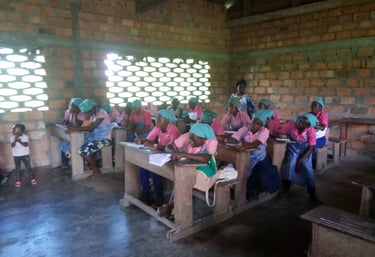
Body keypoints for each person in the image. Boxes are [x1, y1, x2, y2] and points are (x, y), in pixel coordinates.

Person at [157, 123, 218, 219]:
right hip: (189, 164)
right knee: (181, 175)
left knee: (186, 179)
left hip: (206, 167)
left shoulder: (211, 142)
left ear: (204, 139)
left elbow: (205, 158)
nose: (191, 141)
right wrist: (172, 150)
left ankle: (173, 206)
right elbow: (171, 146)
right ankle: (175, 207)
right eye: (190, 138)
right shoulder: (188, 136)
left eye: (194, 139)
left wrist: (183, 154)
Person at [136, 109, 181, 207]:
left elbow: (173, 149)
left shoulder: (173, 130)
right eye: (156, 117)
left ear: (167, 120)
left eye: (159, 118)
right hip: (161, 155)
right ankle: (146, 195)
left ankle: (160, 198)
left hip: (172, 158)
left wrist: (156, 145)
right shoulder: (157, 128)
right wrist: (142, 141)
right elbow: (148, 140)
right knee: (143, 167)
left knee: (154, 169)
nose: (156, 119)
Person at [278, 113, 321, 203]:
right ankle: (285, 190)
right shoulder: (291, 124)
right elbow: (281, 131)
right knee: (289, 165)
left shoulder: (311, 131)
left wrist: (300, 162)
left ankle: (312, 194)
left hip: (305, 152)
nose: (299, 123)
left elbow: (310, 148)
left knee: (308, 169)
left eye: (303, 123)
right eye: (300, 120)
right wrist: (283, 135)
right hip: (293, 149)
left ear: (308, 126)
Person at [66, 99, 112, 177]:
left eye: (88, 111)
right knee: (71, 148)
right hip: (93, 138)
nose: (87, 113)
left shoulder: (101, 113)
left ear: (93, 107)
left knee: (84, 151)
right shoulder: (93, 114)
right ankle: (85, 167)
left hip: (103, 139)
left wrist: (74, 129)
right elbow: (88, 126)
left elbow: (91, 128)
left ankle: (96, 171)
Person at [227, 111, 270, 177]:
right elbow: (234, 137)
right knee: (231, 164)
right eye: (253, 122)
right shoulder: (245, 128)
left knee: (245, 171)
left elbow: (256, 144)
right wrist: (237, 142)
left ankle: (240, 183)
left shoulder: (264, 131)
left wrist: (245, 146)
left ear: (262, 125)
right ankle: (232, 182)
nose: (254, 125)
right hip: (244, 153)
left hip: (257, 158)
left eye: (257, 124)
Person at [60, 97, 89, 169]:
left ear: (78, 107)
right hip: (74, 133)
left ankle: (82, 163)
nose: (69, 106)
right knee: (63, 143)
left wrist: (75, 114)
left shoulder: (83, 114)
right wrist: (64, 120)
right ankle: (65, 163)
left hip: (83, 135)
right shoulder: (68, 111)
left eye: (72, 105)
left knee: (74, 145)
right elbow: (66, 122)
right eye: (70, 104)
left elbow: (77, 125)